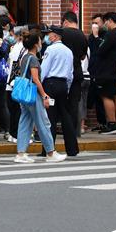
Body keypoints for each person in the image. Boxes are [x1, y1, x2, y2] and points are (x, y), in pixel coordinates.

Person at [13, 32, 66, 163]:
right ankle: (50, 152)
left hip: (24, 95)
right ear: (36, 44)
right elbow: (36, 79)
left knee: (25, 122)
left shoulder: (24, 57)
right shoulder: (34, 59)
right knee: (43, 122)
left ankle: (21, 153)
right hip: (33, 94)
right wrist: (44, 95)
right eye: (40, 41)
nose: (42, 43)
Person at [39, 25, 79, 156]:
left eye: (50, 34)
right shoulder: (68, 51)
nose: (48, 36)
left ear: (55, 36)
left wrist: (39, 84)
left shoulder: (51, 49)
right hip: (63, 85)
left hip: (51, 84)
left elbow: (44, 69)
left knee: (50, 117)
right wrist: (66, 87)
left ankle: (48, 149)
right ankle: (72, 149)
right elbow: (70, 73)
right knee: (65, 116)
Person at [93, 12, 116, 135]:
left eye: (105, 22)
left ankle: (112, 123)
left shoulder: (111, 34)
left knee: (106, 96)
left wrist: (96, 37)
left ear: (110, 21)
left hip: (108, 72)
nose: (105, 24)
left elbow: (100, 50)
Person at [59, 11, 88, 139]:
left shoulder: (63, 34)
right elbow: (83, 56)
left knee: (61, 103)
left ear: (65, 21)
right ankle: (74, 131)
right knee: (74, 103)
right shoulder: (82, 35)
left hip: (63, 73)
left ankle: (64, 129)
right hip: (77, 72)